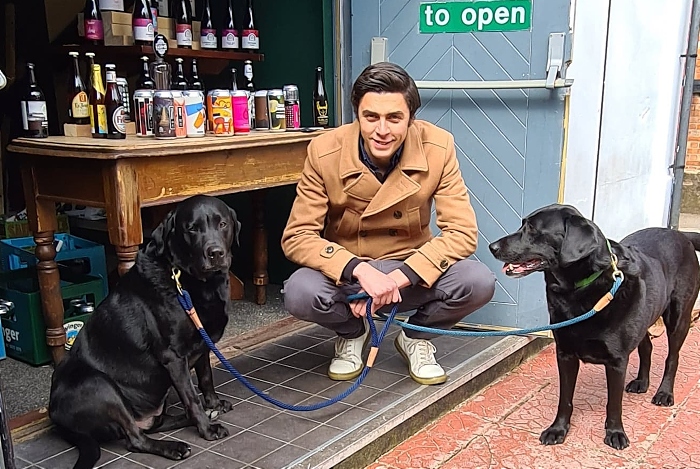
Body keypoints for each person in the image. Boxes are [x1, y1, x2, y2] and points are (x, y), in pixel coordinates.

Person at [281, 62, 495, 385]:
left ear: (411, 118)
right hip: (350, 276)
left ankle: (415, 337)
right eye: (371, 117)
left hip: (410, 273)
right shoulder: (324, 151)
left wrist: (397, 279)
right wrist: (360, 271)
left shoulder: (438, 147)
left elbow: (462, 232)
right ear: (357, 115)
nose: (382, 130)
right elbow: (297, 236)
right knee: (298, 291)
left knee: (478, 280)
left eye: (394, 118)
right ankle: (354, 331)